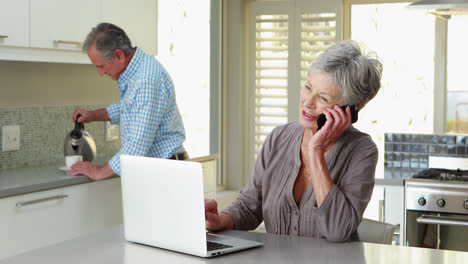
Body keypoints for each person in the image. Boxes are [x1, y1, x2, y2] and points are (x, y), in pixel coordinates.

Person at [205, 40, 383, 242]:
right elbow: (249, 206)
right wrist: (220, 219)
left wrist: (316, 150)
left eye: (323, 99)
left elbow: (337, 230)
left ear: (351, 108)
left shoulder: (362, 151)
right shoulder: (278, 138)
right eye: (308, 87)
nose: (308, 103)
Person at [69, 23, 187, 181]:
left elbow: (137, 146)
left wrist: (99, 171)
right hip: (160, 169)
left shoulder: (146, 80)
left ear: (119, 56)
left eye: (101, 66)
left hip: (165, 173)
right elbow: (130, 108)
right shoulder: (138, 72)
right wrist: (93, 115)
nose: (100, 73)